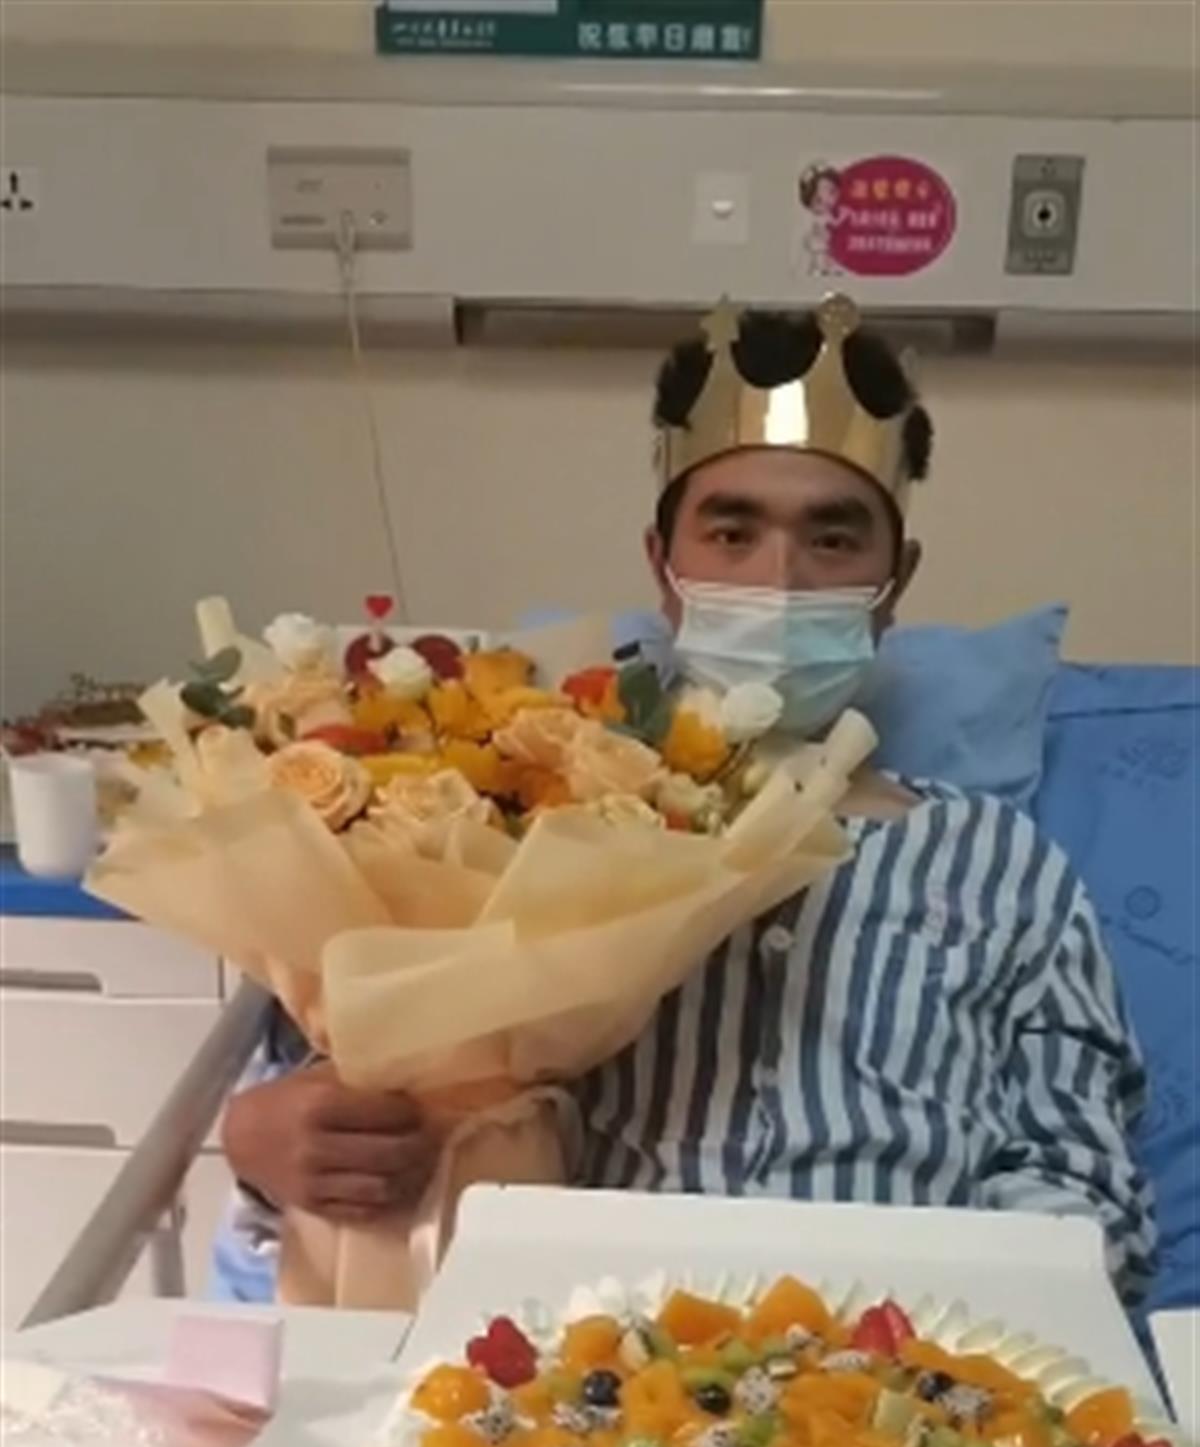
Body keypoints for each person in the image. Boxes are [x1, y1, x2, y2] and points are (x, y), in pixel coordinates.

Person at [215, 295, 1155, 1310]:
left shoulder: (1003, 866)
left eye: (834, 539)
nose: (779, 580)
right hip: (582, 1344)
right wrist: (264, 1143)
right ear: (663, 569)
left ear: (896, 580)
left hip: (910, 1348)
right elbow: (377, 1078)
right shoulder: (518, 822)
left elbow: (1083, 1185)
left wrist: (969, 1318)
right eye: (732, 532)